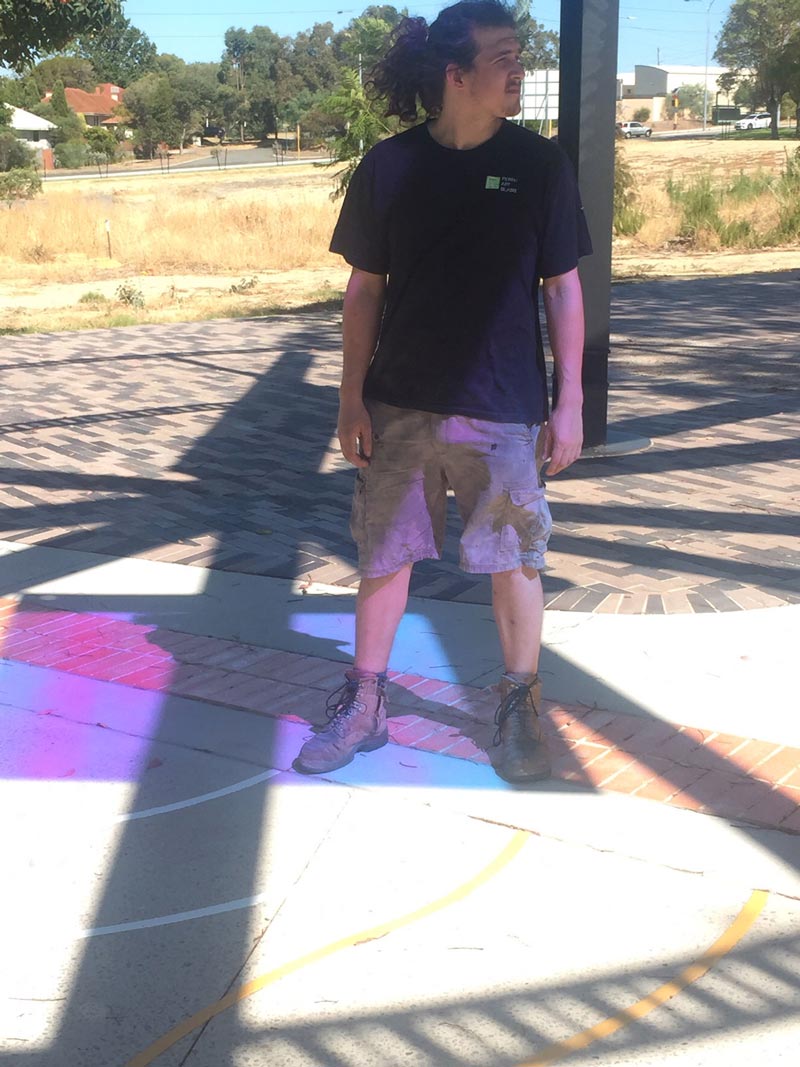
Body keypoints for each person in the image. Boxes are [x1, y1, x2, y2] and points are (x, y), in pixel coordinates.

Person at [294, 0, 592, 783]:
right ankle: (365, 702)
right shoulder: (390, 166)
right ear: (456, 74)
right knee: (385, 561)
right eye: (503, 56)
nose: (519, 68)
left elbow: (563, 289)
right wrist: (350, 399)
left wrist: (570, 402)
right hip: (398, 407)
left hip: (504, 408)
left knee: (514, 563)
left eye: (519, 54)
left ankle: (519, 705)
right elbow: (364, 291)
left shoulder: (540, 165)